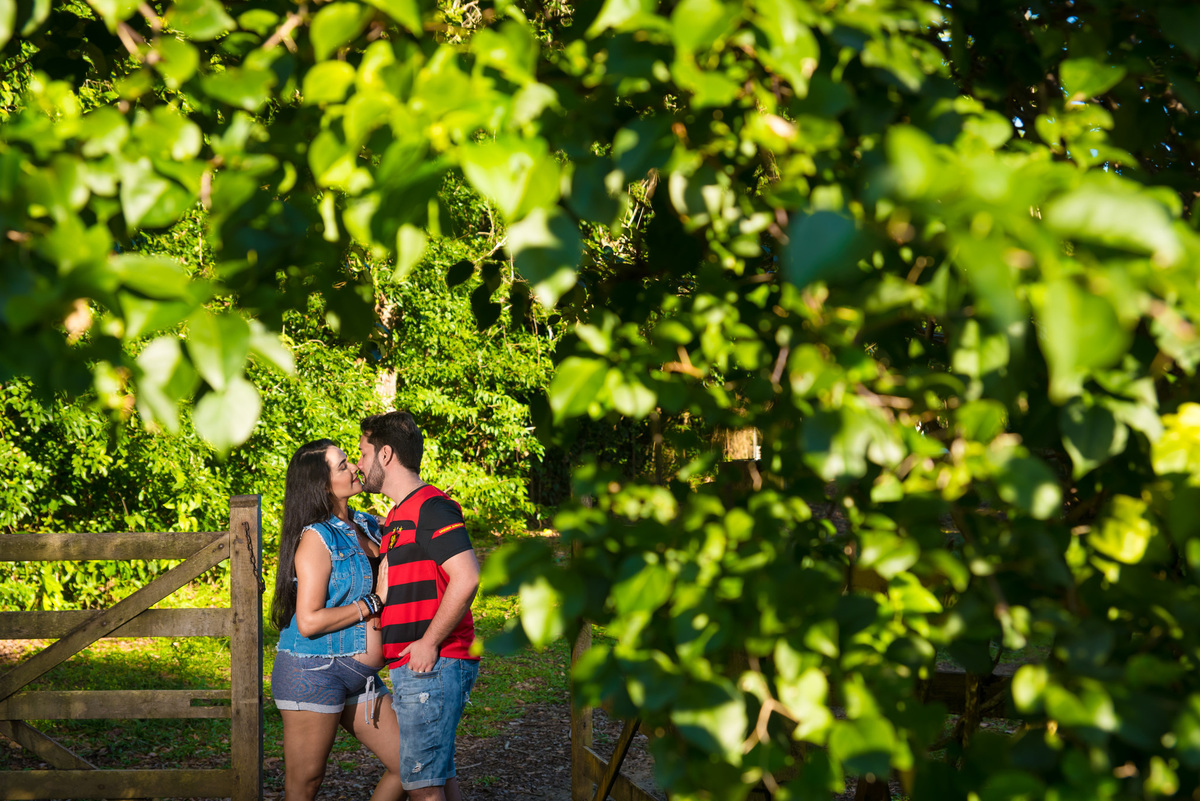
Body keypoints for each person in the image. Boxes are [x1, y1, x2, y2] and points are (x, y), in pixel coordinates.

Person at [269, 439, 408, 801]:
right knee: (306, 783)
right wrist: (372, 603)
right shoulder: (317, 538)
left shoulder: (366, 523)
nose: (354, 468)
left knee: (411, 763)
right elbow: (309, 621)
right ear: (321, 484)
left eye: (350, 461)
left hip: (361, 677)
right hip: (313, 671)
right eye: (343, 465)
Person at [358, 411, 480, 801]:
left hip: (432, 663)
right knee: (439, 778)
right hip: (416, 668)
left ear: (386, 454)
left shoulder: (432, 507)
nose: (359, 465)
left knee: (424, 788)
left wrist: (429, 643)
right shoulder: (396, 517)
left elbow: (467, 577)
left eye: (363, 454)